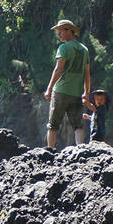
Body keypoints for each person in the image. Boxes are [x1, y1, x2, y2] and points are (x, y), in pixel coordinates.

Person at [44, 19, 90, 149]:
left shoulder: (63, 48)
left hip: (61, 91)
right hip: (76, 93)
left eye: (60, 31)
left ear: (69, 31)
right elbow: (87, 73)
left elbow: (58, 69)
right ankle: (81, 150)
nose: (58, 34)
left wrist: (49, 88)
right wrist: (86, 92)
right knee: (78, 126)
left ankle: (50, 152)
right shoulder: (84, 49)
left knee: (53, 125)